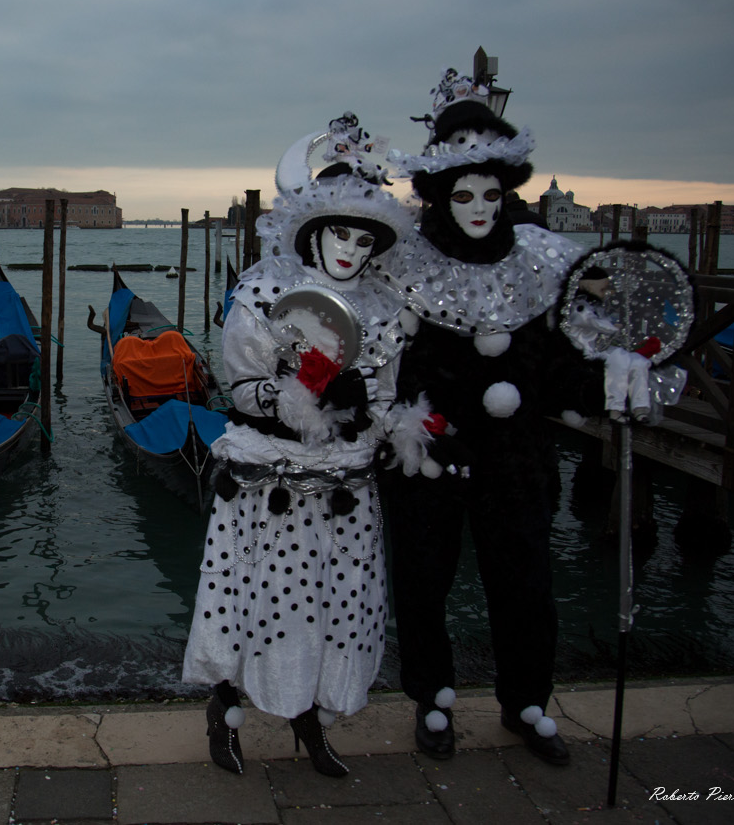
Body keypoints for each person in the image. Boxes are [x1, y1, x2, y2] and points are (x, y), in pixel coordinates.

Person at [372, 70, 609, 767]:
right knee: (423, 576)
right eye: (463, 194)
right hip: (432, 452)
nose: (478, 206)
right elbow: (384, 354)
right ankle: (434, 697)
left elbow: (565, 358)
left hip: (516, 453)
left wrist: (601, 376)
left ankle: (527, 701)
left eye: (490, 194)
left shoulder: (542, 263)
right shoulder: (406, 265)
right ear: (441, 195)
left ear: (508, 194)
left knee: (527, 578)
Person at [182, 112, 415, 777]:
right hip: (272, 479)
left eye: (363, 238)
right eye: (339, 233)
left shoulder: (380, 306)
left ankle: (309, 721)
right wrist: (295, 397)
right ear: (314, 231)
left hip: (343, 483)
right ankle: (224, 716)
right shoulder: (262, 289)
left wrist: (364, 408)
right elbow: (241, 383)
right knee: (249, 599)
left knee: (329, 607)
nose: (350, 249)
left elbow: (387, 392)